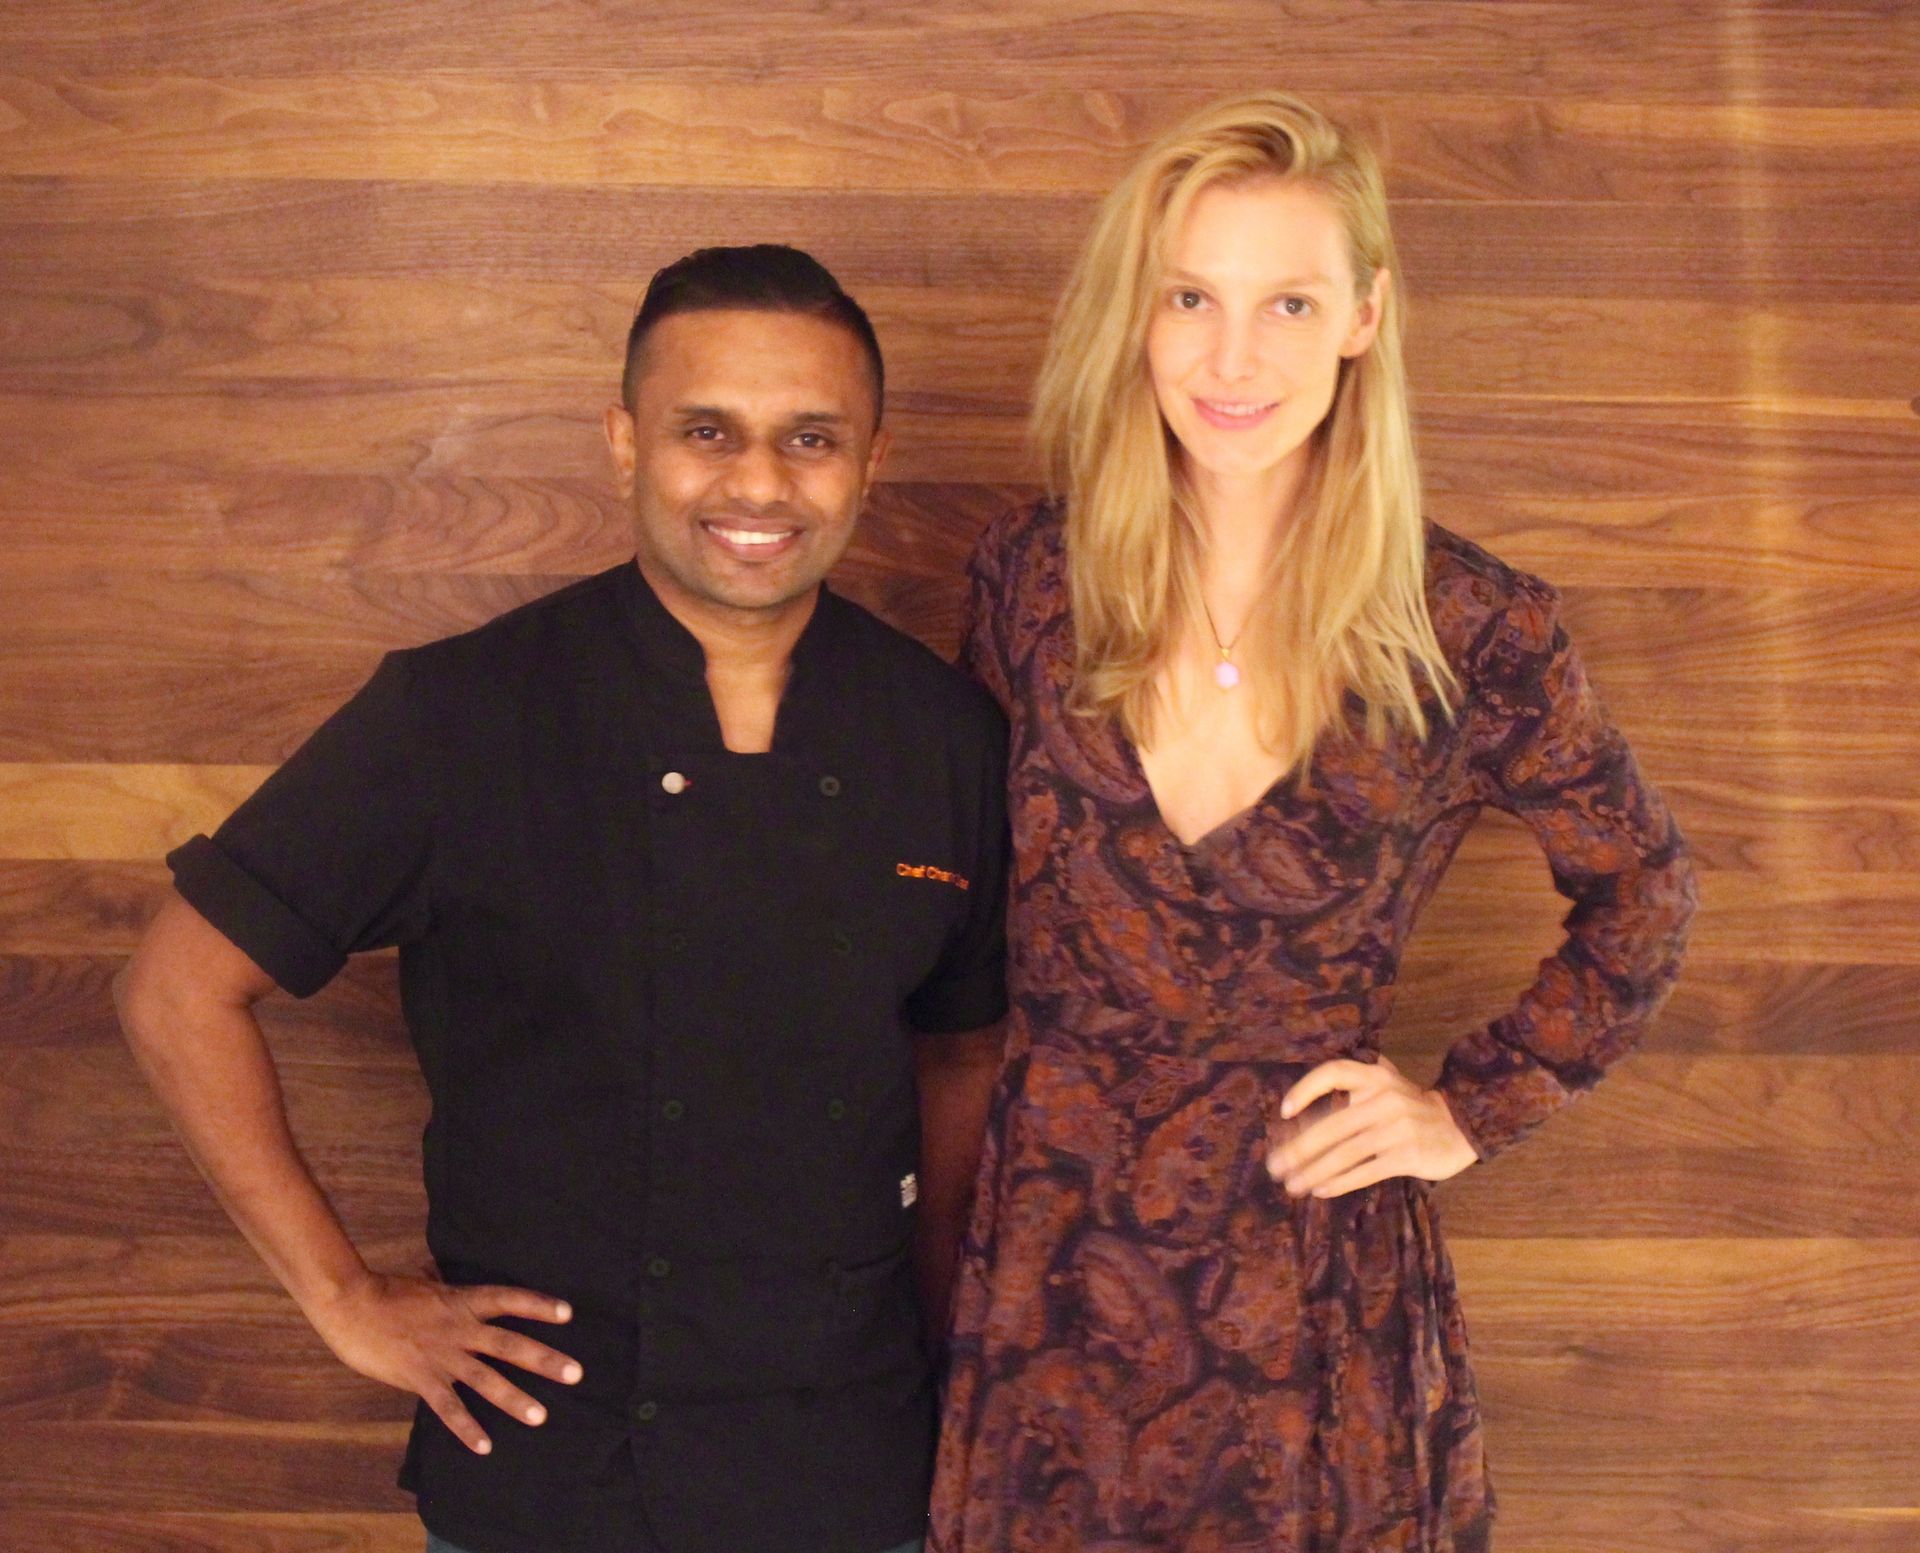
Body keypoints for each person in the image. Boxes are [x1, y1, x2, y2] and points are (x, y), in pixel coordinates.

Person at [114, 244, 1010, 1553]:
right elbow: (175, 990)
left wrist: (947, 1343)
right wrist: (346, 1296)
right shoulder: (459, 712)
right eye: (708, 431)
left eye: (809, 437)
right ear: (624, 442)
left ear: (869, 460)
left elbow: (960, 1055)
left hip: (849, 1464)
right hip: (550, 1475)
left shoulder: (944, 735)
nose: (758, 483)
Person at [928, 93, 1699, 1552]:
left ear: (1364, 316)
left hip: (1311, 1286)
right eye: (1191, 298)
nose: (1234, 357)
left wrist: (1468, 1109)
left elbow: (1645, 889)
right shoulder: (1031, 579)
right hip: (1053, 1268)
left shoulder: (1469, 624)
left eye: (1288, 300)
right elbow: (952, 912)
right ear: (1135, 319)